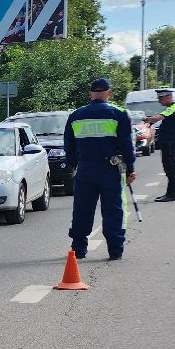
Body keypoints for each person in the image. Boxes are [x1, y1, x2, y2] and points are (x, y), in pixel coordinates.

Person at [65, 78, 134, 260]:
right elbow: (126, 144)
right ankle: (115, 250)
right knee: (113, 210)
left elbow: (69, 145)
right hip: (110, 168)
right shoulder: (119, 114)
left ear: (91, 94)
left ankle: (78, 248)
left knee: (82, 209)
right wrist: (130, 168)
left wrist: (75, 164)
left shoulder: (76, 115)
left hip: (85, 169)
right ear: (108, 93)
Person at [149, 87, 175, 202]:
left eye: (161, 98)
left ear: (169, 97)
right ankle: (170, 193)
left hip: (170, 143)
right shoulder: (173, 108)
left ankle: (171, 195)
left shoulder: (174, 107)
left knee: (171, 169)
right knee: (169, 168)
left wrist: (145, 118)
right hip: (169, 142)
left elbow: (158, 118)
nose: (159, 100)